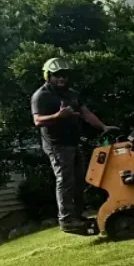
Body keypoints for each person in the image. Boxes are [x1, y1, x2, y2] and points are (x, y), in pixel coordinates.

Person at [31, 58, 115, 233]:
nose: (61, 79)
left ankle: (77, 216)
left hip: (73, 143)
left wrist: (103, 127)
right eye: (56, 75)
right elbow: (37, 120)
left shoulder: (71, 93)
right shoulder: (41, 96)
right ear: (48, 76)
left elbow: (85, 113)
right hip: (56, 145)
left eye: (64, 75)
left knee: (79, 180)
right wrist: (57, 116)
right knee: (65, 180)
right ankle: (67, 220)